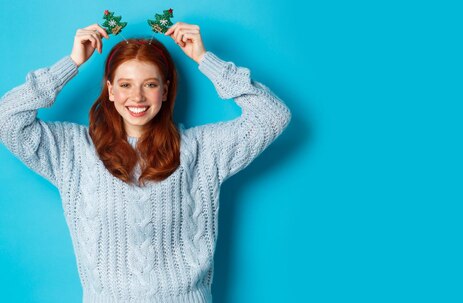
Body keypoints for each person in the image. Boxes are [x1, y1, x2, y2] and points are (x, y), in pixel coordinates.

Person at [0, 22, 291, 302]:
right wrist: (72, 62)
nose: (136, 97)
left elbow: (272, 116)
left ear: (165, 91)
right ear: (110, 91)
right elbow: (8, 119)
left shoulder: (202, 149)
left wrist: (205, 59)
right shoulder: (73, 151)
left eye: (149, 84)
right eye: (125, 85)